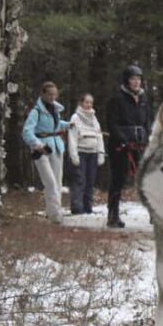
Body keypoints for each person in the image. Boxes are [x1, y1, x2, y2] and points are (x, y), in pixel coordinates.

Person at [105, 65, 152, 228]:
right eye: (133, 79)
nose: (136, 82)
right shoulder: (117, 99)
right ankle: (113, 215)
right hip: (121, 146)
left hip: (140, 144)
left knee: (148, 179)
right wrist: (123, 140)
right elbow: (112, 123)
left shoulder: (144, 98)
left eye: (138, 79)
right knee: (118, 180)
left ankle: (155, 214)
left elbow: (147, 121)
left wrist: (148, 137)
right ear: (127, 80)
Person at [22, 81, 71, 224]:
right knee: (50, 182)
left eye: (54, 94)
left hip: (56, 147)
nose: (52, 97)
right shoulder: (36, 112)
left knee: (57, 181)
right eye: (49, 94)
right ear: (42, 94)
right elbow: (26, 132)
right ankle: (55, 215)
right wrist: (37, 144)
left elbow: (57, 124)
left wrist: (69, 125)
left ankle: (54, 214)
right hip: (42, 149)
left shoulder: (55, 110)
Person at [68, 93, 105, 215]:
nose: (89, 105)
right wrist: (74, 155)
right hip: (81, 152)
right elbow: (72, 137)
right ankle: (77, 207)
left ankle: (88, 206)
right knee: (79, 180)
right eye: (86, 102)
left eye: (91, 102)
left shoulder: (94, 119)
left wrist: (101, 153)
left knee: (90, 180)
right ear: (81, 103)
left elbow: (99, 136)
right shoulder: (75, 117)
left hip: (93, 153)